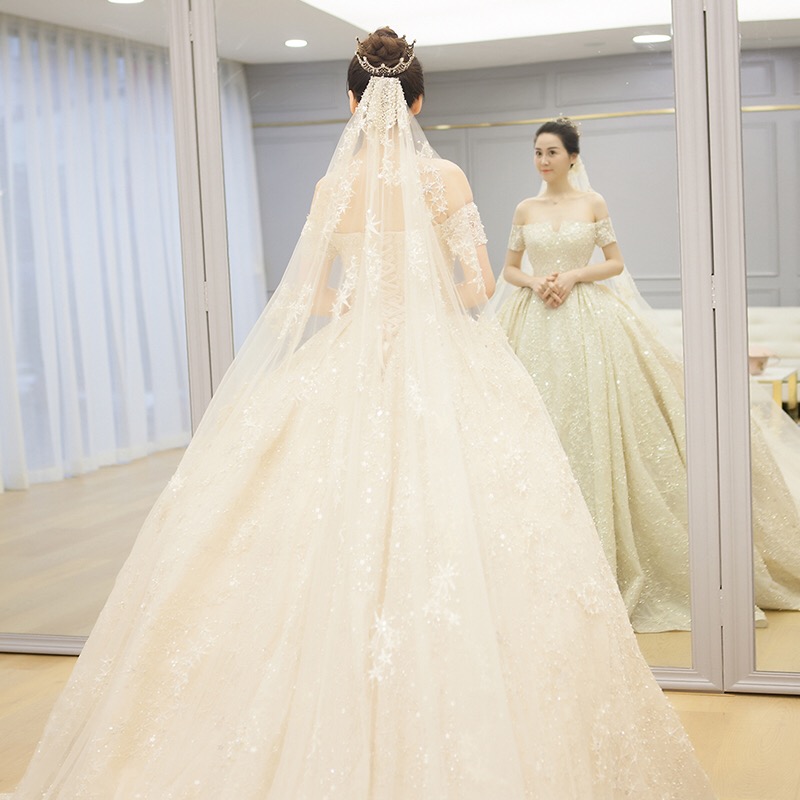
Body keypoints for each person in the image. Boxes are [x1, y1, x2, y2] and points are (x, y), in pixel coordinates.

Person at [3, 33, 715, 798]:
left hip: (348, 361)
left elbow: (309, 291)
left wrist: (358, 303)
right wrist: (422, 300)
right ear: (418, 104)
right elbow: (480, 286)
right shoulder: (446, 179)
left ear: (351, 104)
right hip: (441, 362)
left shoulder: (331, 188)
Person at [494, 116, 800, 633]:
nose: (543, 161)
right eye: (537, 152)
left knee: (593, 422)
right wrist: (535, 282)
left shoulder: (593, 203)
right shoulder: (526, 208)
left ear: (572, 157)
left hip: (588, 318)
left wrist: (573, 274)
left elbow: (614, 263)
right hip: (534, 318)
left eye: (551, 152)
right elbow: (508, 268)